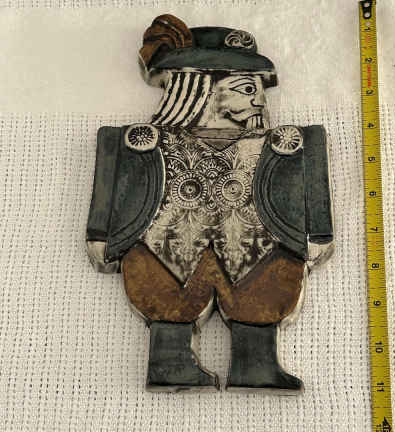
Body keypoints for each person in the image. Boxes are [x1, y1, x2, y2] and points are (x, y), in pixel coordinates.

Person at [86, 14, 334, 394]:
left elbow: (304, 182)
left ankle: (257, 365)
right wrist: (101, 233)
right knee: (166, 299)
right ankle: (170, 363)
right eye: (245, 88)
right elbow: (118, 180)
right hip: (166, 247)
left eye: (258, 89)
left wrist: (317, 232)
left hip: (258, 247)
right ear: (198, 89)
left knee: (264, 293)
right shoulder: (144, 142)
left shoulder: (281, 144)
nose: (258, 99)